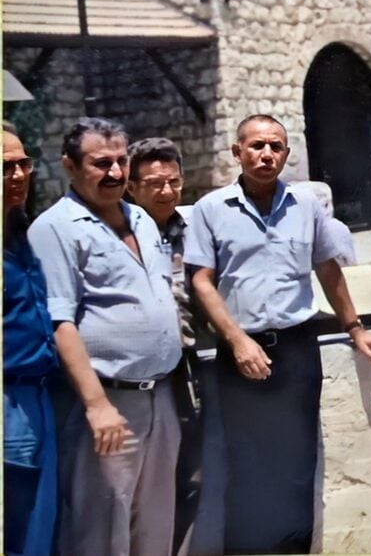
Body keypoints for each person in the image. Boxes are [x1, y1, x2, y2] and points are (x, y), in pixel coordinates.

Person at [185, 114, 371, 554]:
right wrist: (237, 340)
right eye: (257, 146)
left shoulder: (305, 206)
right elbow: (201, 281)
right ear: (237, 152)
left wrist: (356, 330)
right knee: (246, 470)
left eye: (276, 147)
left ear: (286, 154)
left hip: (297, 351)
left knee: (298, 469)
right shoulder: (211, 210)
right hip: (240, 354)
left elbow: (328, 269)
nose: (267, 154)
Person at [28, 117, 183, 556]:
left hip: (161, 398)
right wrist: (97, 407)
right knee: (101, 528)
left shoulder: (142, 218)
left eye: (121, 161)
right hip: (108, 404)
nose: (115, 172)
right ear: (70, 167)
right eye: (101, 163)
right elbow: (60, 322)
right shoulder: (55, 228)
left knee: (155, 525)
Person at [125, 137, 202, 556]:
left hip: (185, 375)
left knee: (190, 476)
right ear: (132, 186)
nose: (166, 191)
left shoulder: (193, 236)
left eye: (173, 181)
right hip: (132, 380)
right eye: (154, 183)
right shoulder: (117, 237)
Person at [3, 122, 59, 556]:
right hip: (9, 399)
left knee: (42, 519)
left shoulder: (22, 231)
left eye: (23, 163)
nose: (19, 175)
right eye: (5, 167)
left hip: (41, 395)